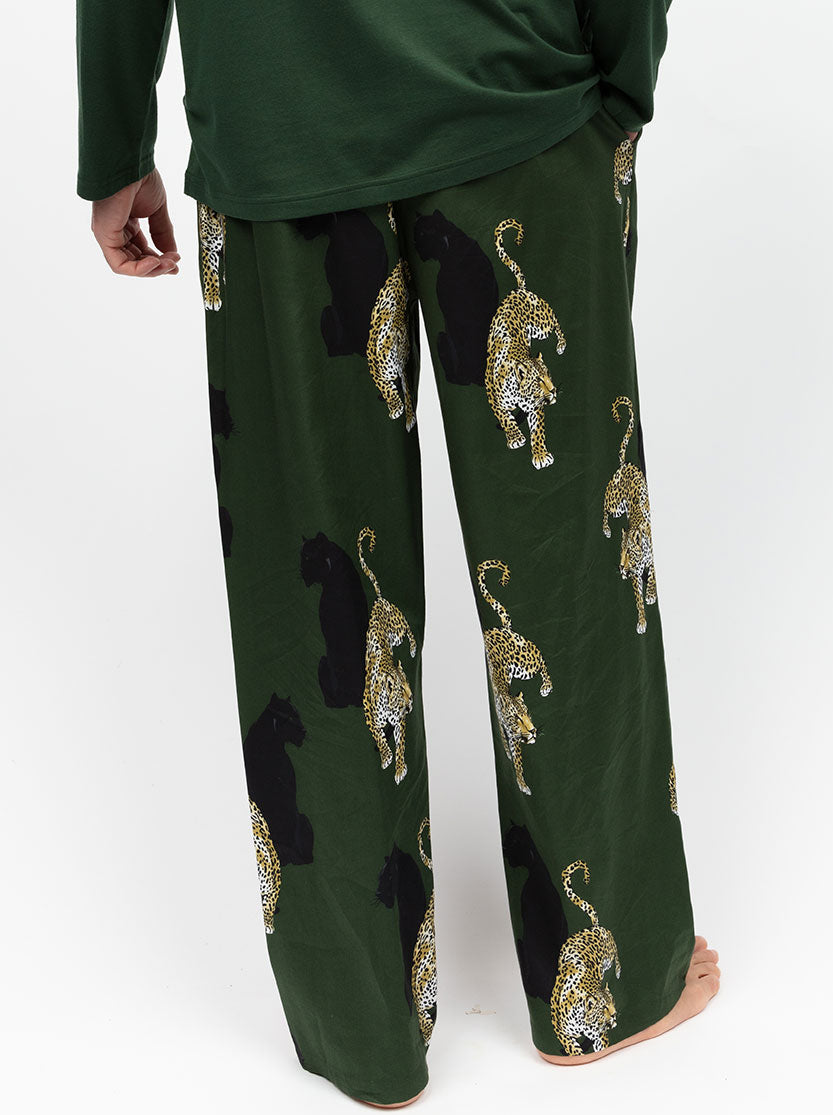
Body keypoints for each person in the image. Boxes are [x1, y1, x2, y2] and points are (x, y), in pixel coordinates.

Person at [76, 2, 720, 1108]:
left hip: (273, 124)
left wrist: (112, 138)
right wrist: (623, 75)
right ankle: (601, 997)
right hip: (508, 90)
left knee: (311, 606)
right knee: (571, 556)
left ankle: (364, 1033)